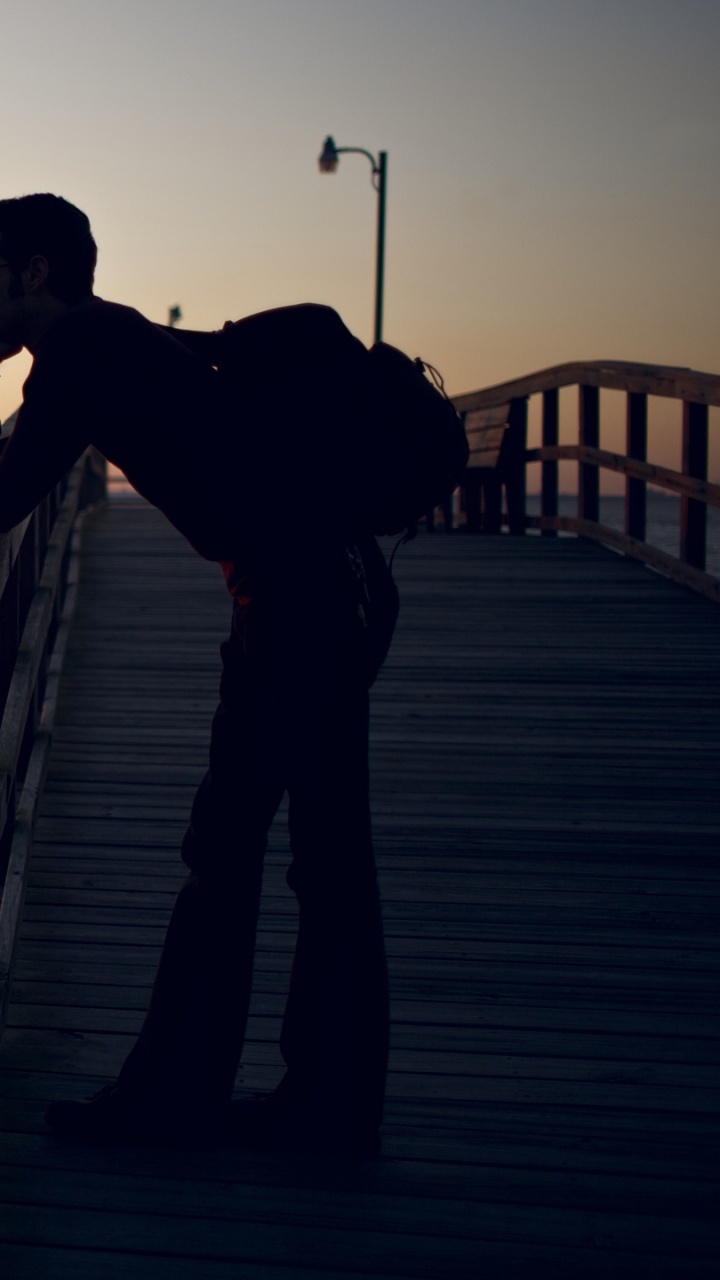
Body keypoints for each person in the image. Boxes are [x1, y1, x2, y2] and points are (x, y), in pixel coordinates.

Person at [0, 194, 398, 1155]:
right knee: (310, 852)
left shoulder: (86, 351)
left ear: (34, 272)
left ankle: (188, 1098)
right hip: (319, 589)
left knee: (240, 846)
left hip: (301, 601)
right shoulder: (106, 340)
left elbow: (11, 487)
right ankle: (322, 1105)